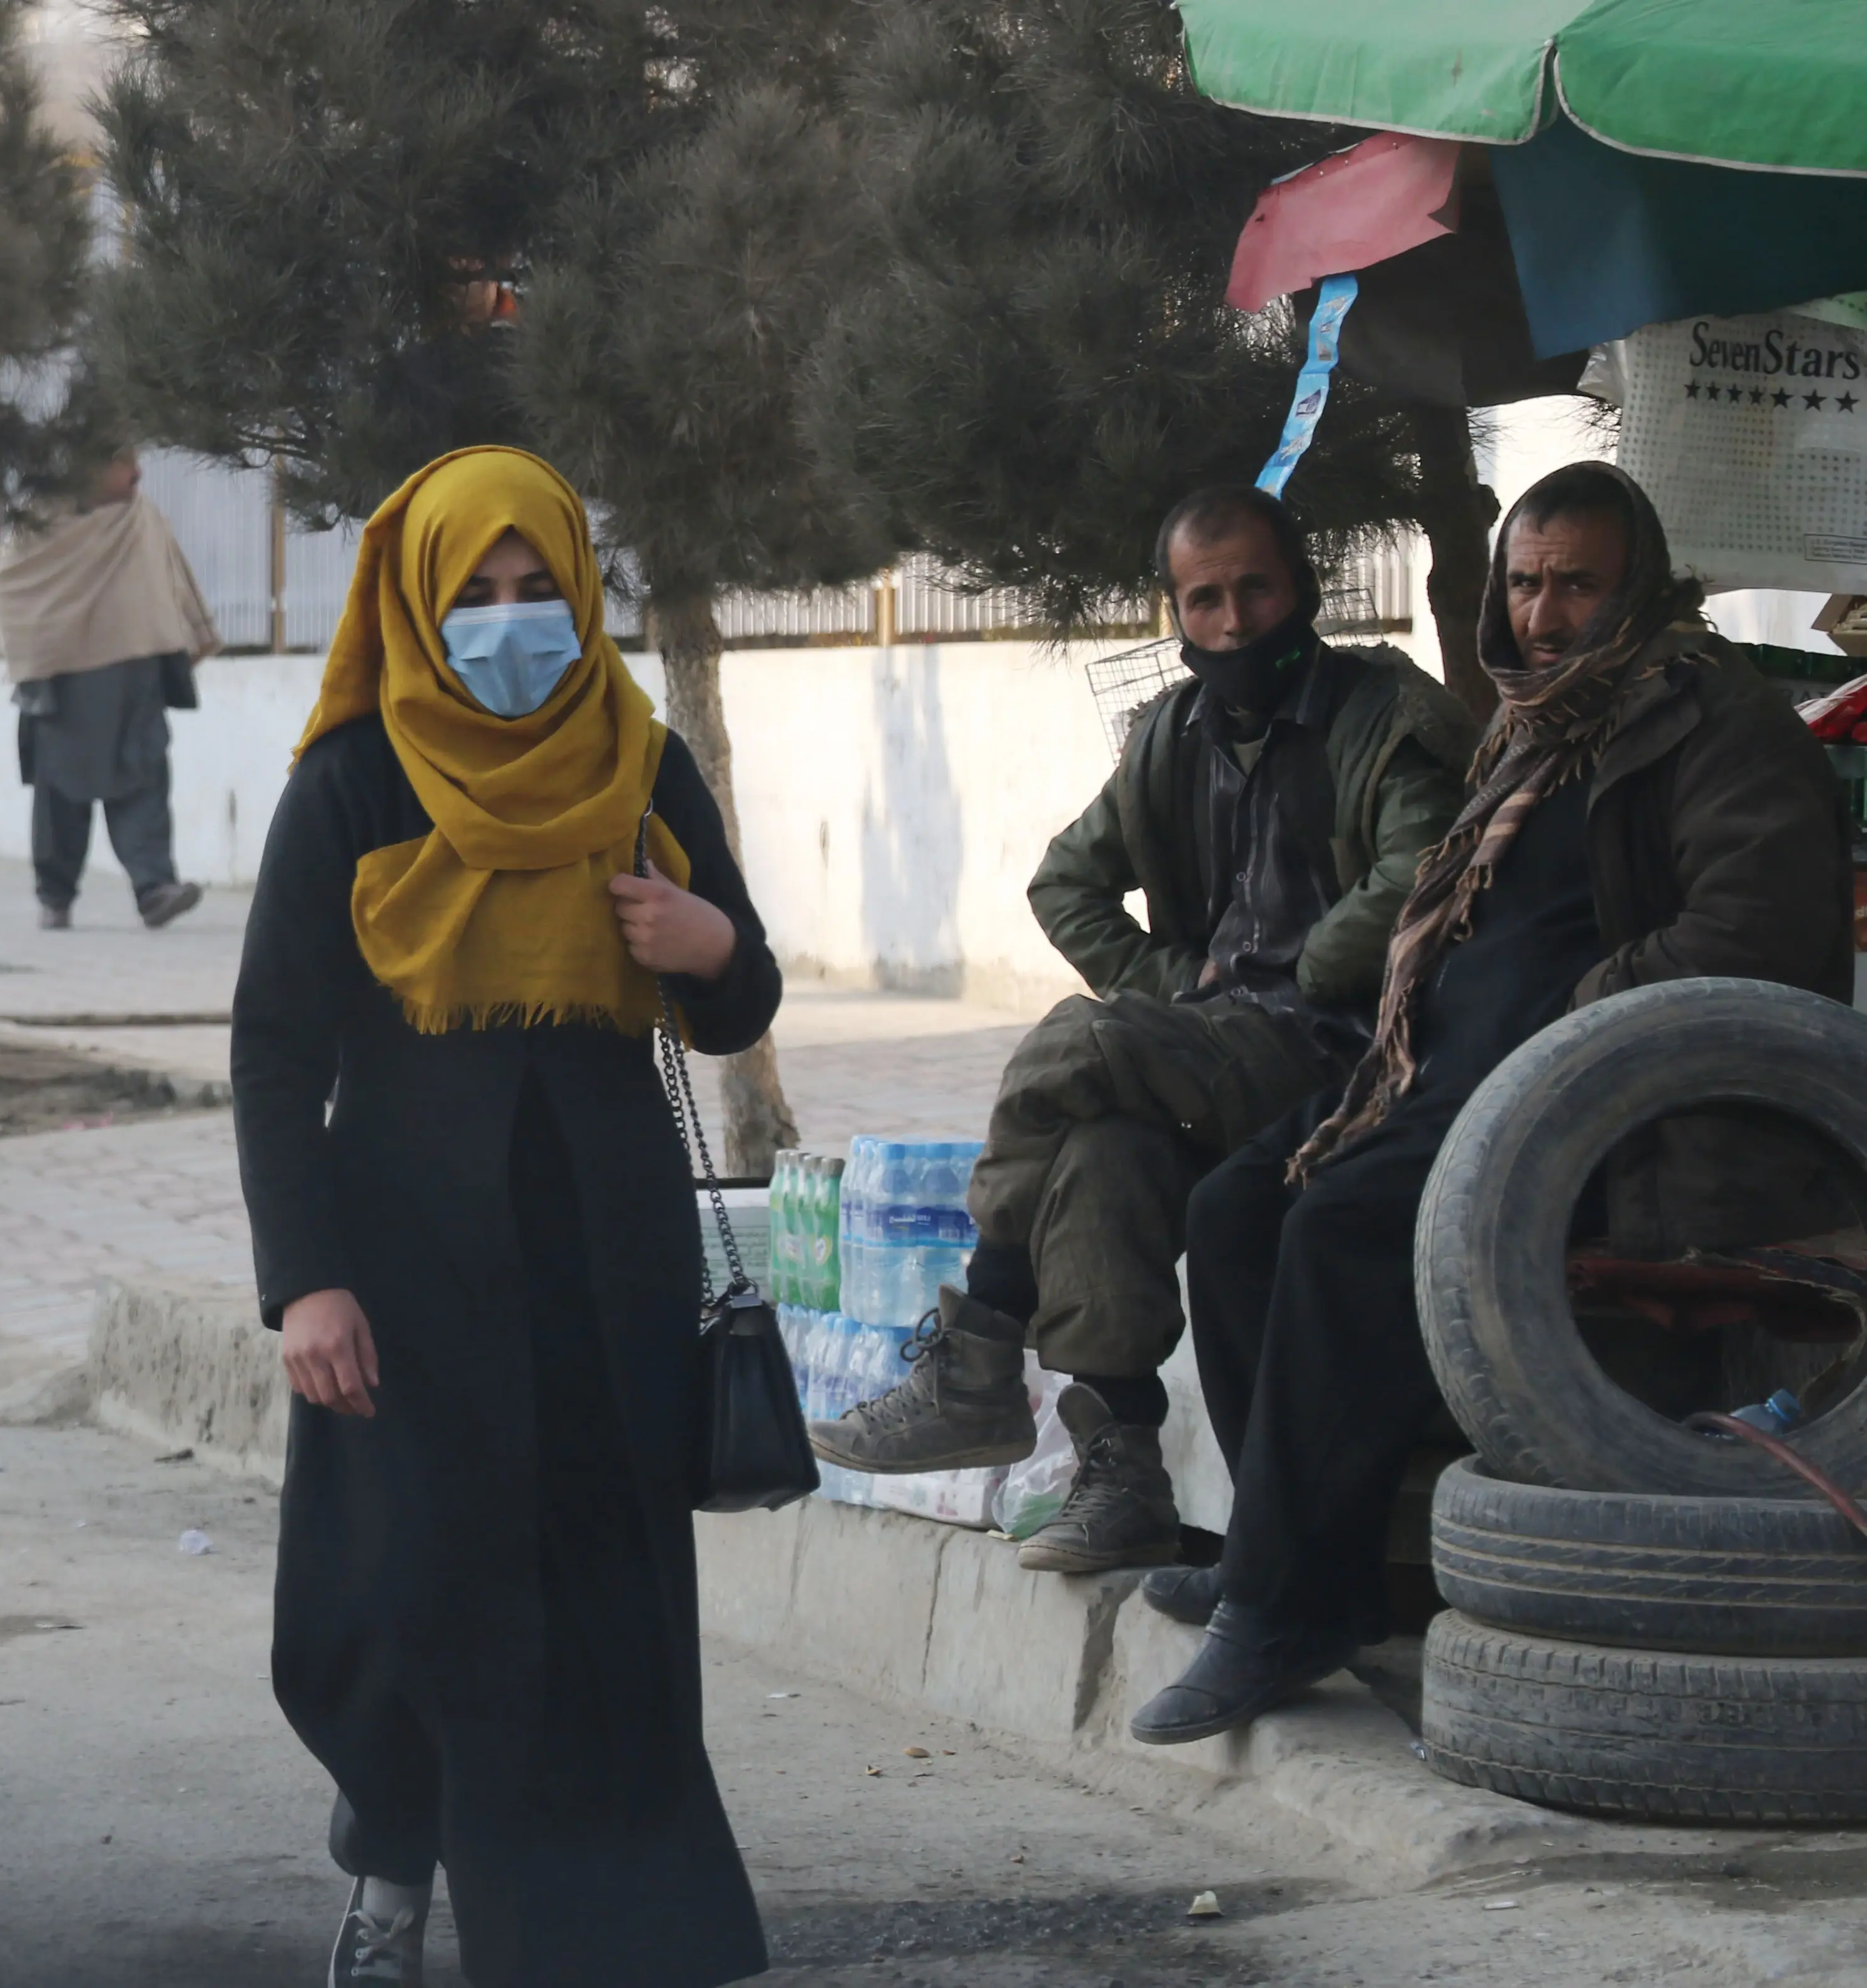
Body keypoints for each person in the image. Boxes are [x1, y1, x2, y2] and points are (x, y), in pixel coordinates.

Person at [1135, 462, 1854, 1745]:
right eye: (1522, 582)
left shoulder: (1710, 718)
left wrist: (1582, 1008)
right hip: (1449, 1081)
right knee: (1235, 1202)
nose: (1541, 613)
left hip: (1602, 1109)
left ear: (1632, 581)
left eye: (1574, 581)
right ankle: (1286, 1555)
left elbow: (1756, 924)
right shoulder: (1533, 727)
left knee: (1336, 1226)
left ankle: (1284, 1605)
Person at [233, 447, 777, 1988]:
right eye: (475, 594)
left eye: (539, 588)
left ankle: (612, 1936)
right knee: (407, 1594)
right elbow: (275, 1049)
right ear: (419, 601)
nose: (511, 620)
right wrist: (306, 1284)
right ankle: (395, 1859)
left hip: (606, 1245)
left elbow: (739, 1008)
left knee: (609, 1597)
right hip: (404, 1260)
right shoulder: (353, 780)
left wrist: (707, 939)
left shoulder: (641, 764)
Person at [810, 487, 1474, 1575]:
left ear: (1299, 587)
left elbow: (1421, 868)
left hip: (1350, 1049)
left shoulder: (1380, 717)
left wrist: (1309, 961)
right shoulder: (1176, 733)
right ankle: (1122, 1474)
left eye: (1254, 587)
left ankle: (978, 1347)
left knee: (1080, 1042)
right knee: (1101, 1149)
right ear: (1175, 609)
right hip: (1219, 1043)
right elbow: (1065, 881)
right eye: (1203, 597)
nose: (1232, 619)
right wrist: (1169, 976)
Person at [0, 451, 218, 931]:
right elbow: (13, 590)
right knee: (61, 795)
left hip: (137, 672)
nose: (137, 473)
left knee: (145, 778)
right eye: (122, 461)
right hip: (64, 680)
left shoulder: (139, 516)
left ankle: (155, 889)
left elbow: (166, 580)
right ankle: (55, 897)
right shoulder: (36, 524)